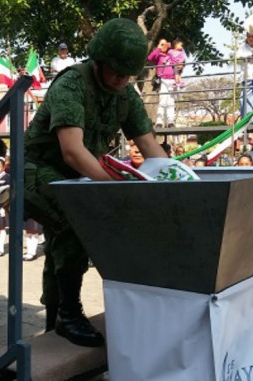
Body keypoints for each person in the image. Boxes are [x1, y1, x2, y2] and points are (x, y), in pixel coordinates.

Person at [24, 18, 168, 347]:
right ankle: (68, 313)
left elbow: (150, 149)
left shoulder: (125, 94)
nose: (122, 80)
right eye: (116, 71)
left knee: (64, 239)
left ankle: (54, 320)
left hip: (75, 175)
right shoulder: (72, 83)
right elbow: (73, 152)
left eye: (127, 74)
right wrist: (114, 193)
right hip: (35, 169)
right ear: (99, 60)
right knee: (77, 221)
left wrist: (176, 183)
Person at [147, 38, 178, 127]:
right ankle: (159, 122)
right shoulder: (158, 55)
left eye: (165, 44)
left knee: (171, 102)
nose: (164, 45)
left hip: (172, 81)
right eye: (162, 44)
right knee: (163, 101)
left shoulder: (170, 54)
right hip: (163, 80)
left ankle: (170, 122)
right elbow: (150, 58)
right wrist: (159, 48)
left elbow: (178, 61)